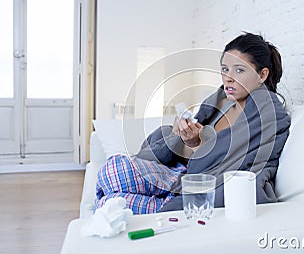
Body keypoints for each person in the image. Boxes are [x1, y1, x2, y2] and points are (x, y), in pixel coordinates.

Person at [95, 32, 291, 214]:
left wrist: (195, 144)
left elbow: (219, 164)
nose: (228, 78)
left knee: (109, 192)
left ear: (262, 75)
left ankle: (166, 203)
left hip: (197, 186)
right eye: (225, 69)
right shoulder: (221, 100)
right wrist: (179, 135)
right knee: (111, 175)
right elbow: (194, 147)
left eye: (239, 70)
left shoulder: (266, 112)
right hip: (179, 172)